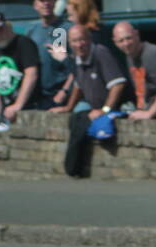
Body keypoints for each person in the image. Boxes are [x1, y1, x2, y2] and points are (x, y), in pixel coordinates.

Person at [50, 23, 127, 176]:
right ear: (69, 44)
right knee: (75, 118)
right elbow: (78, 86)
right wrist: (68, 107)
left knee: (82, 121)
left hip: (118, 108)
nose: (79, 45)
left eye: (82, 40)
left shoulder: (100, 53)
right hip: (93, 106)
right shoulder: (76, 59)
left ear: (89, 39)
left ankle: (73, 169)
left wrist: (104, 110)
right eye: (74, 41)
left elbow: (118, 85)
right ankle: (73, 168)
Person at [26, 0, 71, 109]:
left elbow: (78, 66)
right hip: (39, 95)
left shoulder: (68, 29)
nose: (46, 3)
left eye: (50, 0)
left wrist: (65, 91)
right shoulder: (31, 31)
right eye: (42, 1)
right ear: (35, 5)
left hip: (62, 95)